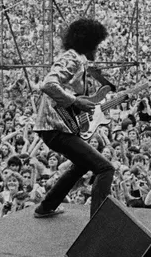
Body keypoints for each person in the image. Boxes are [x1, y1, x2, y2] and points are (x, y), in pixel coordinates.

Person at [31, 18, 116, 219]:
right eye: (97, 45)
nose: (98, 49)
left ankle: (46, 207)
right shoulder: (73, 59)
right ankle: (98, 221)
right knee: (105, 168)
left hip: (58, 128)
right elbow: (48, 85)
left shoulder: (79, 61)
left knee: (83, 164)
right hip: (56, 127)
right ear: (89, 42)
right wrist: (76, 103)